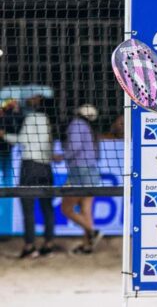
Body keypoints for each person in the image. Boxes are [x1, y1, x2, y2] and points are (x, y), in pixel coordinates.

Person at [0, 95, 58, 258]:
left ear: (40, 103)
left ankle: (30, 246)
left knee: (28, 206)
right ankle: (48, 244)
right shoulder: (49, 119)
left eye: (36, 99)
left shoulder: (32, 117)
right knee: (47, 207)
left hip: (30, 166)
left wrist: (4, 135)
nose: (31, 100)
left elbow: (23, 140)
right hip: (46, 167)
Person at [61, 104, 103, 254]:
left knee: (66, 208)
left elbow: (74, 147)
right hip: (92, 171)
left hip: (79, 171)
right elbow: (97, 155)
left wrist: (62, 156)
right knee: (86, 210)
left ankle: (92, 231)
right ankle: (87, 246)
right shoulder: (92, 129)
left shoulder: (77, 124)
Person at [0, 99, 23, 187]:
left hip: (8, 151)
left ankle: (7, 199)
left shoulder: (11, 118)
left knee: (9, 175)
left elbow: (15, 132)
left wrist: (4, 134)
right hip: (6, 151)